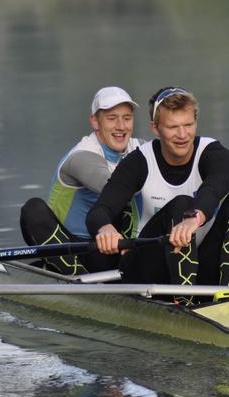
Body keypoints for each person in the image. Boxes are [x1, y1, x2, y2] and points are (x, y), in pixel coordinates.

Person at [86, 87, 229, 291]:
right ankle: (183, 301)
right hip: (149, 267)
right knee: (181, 203)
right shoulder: (139, 162)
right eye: (173, 127)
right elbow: (99, 211)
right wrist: (105, 228)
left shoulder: (216, 154)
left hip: (199, 263)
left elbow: (213, 188)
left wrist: (195, 217)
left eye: (188, 125)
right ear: (155, 128)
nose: (183, 135)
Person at [20, 86, 144, 275]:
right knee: (33, 208)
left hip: (114, 247)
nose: (121, 126)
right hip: (72, 246)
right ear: (95, 121)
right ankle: (74, 275)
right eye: (112, 118)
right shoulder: (82, 157)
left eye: (127, 118)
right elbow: (114, 188)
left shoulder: (140, 148)